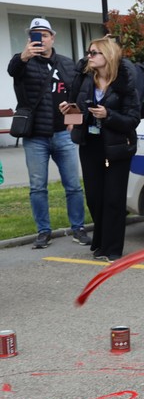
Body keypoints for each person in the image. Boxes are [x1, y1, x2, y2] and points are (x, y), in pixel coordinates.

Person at [7, 17, 89, 249]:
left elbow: (75, 95)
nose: (40, 39)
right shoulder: (22, 62)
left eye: (44, 34)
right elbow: (12, 69)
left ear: (53, 37)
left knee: (73, 185)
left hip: (63, 134)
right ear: (29, 39)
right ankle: (43, 231)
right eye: (36, 35)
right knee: (38, 187)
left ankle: (78, 228)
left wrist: (73, 121)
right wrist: (24, 56)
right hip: (35, 137)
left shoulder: (66, 64)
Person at [60, 36, 139, 262]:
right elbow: (76, 111)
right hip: (91, 144)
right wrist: (69, 111)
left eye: (94, 53)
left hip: (117, 147)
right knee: (94, 197)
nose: (89, 56)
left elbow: (133, 119)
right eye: (89, 52)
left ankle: (113, 248)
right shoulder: (86, 79)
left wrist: (109, 115)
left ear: (108, 56)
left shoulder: (124, 83)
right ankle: (101, 242)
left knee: (113, 199)